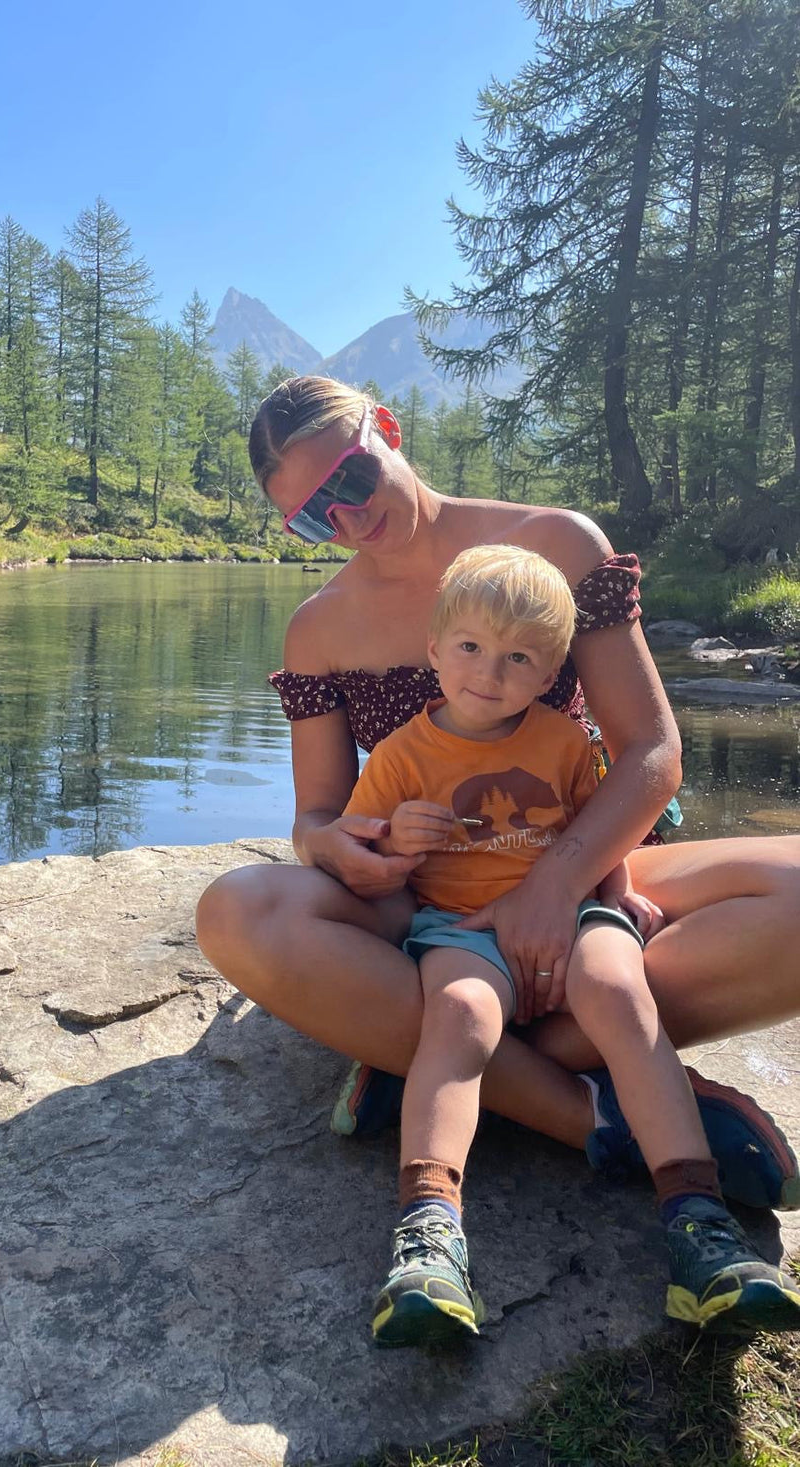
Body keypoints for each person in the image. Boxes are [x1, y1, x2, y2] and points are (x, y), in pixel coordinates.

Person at [194, 375, 800, 1223]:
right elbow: (317, 814)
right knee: (235, 912)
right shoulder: (317, 628)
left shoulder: (553, 543)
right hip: (427, 913)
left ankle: (414, 1048)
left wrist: (553, 890)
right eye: (310, 516)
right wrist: (337, 848)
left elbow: (653, 752)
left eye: (352, 481)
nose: (347, 520)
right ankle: (589, 1111)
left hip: (584, 873)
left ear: (389, 430)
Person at [341, 542, 800, 1344]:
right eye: (472, 648)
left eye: (520, 657)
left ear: (554, 666)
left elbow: (601, 826)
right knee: (456, 1018)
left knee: (624, 993)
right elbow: (367, 861)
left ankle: (699, 1224)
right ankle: (428, 1235)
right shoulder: (400, 755)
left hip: (574, 914)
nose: (491, 672)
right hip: (459, 927)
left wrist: (621, 899)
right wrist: (392, 838)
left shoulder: (562, 740)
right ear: (435, 650)